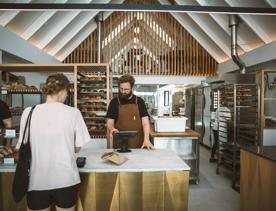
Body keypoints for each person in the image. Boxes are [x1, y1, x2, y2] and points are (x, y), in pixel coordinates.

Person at [15, 73, 90, 211]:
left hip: (36, 182)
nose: (67, 96)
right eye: (67, 93)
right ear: (62, 91)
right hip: (66, 180)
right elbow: (77, 148)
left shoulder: (28, 112)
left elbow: (22, 146)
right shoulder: (73, 113)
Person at [107, 74, 154, 150]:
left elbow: (145, 122)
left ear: (132, 88)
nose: (123, 92)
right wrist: (111, 128)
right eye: (121, 89)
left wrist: (146, 139)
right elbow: (110, 121)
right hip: (119, 145)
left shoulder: (139, 101)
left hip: (138, 144)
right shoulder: (114, 102)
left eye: (126, 89)